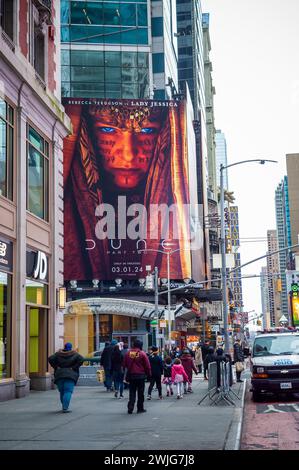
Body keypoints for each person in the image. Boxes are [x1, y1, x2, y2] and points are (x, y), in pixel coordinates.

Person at [63, 101, 193, 282]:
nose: (128, 154)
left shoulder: (170, 219)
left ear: (164, 135)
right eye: (108, 130)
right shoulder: (66, 216)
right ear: (85, 133)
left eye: (147, 131)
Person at [48, 342, 84, 413]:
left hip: (59, 374)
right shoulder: (75, 354)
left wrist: (56, 367)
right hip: (70, 375)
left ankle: (64, 405)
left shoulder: (58, 354)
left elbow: (50, 358)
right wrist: (74, 367)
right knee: (68, 391)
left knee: (62, 391)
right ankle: (65, 407)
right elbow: (82, 359)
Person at [123, 339, 151, 414]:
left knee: (132, 392)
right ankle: (140, 408)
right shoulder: (142, 354)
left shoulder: (128, 353)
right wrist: (149, 375)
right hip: (140, 376)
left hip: (131, 376)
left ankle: (130, 407)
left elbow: (124, 364)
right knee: (140, 393)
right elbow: (147, 366)